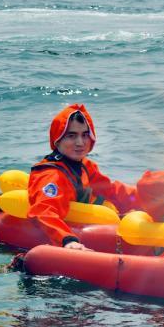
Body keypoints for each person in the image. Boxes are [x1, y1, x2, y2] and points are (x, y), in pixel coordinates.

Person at [28, 104, 138, 250]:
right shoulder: (51, 175)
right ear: (57, 140)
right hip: (67, 234)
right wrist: (68, 240)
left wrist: (146, 198)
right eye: (71, 136)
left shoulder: (85, 165)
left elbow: (110, 190)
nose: (80, 143)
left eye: (85, 135)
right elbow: (43, 211)